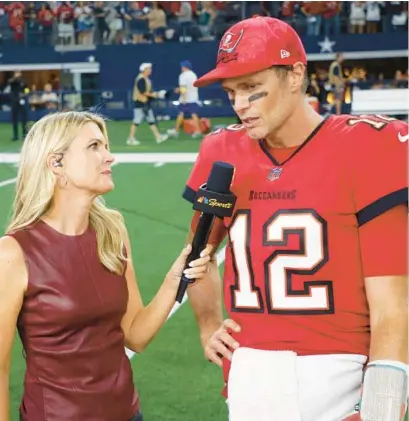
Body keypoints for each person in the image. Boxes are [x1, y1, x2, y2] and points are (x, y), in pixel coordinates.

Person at [181, 16, 408, 421]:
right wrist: (208, 324)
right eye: (232, 91)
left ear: (295, 74)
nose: (240, 104)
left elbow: (393, 306)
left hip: (340, 374)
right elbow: (196, 253)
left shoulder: (368, 146)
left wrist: (384, 406)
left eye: (253, 88)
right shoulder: (222, 149)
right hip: (249, 373)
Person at [0, 111, 211, 421]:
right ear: (56, 163)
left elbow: (135, 335)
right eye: (94, 146)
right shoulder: (13, 252)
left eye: (106, 145)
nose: (109, 156)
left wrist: (173, 281)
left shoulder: (112, 231)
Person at [126, 62, 168, 146]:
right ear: (144, 70)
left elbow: (148, 91)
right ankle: (130, 139)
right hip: (140, 103)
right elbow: (143, 92)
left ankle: (158, 137)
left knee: (151, 120)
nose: (150, 70)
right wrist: (157, 94)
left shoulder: (145, 79)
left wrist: (155, 94)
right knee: (136, 121)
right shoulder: (141, 79)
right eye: (148, 69)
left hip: (144, 103)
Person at [168, 60, 202, 138]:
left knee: (181, 114)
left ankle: (176, 131)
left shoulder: (183, 75)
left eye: (182, 66)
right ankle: (198, 131)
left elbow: (184, 88)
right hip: (193, 98)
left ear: (184, 67)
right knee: (193, 114)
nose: (181, 68)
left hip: (186, 99)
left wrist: (183, 98)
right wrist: (179, 89)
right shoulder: (193, 75)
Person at [8, 70, 29, 141]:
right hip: (14, 102)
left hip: (22, 101)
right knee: (14, 119)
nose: (18, 74)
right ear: (14, 74)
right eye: (16, 73)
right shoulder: (12, 81)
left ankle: (24, 135)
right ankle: (15, 135)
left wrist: (25, 94)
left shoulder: (24, 81)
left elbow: (27, 89)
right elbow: (11, 83)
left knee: (24, 119)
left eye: (19, 73)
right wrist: (16, 78)